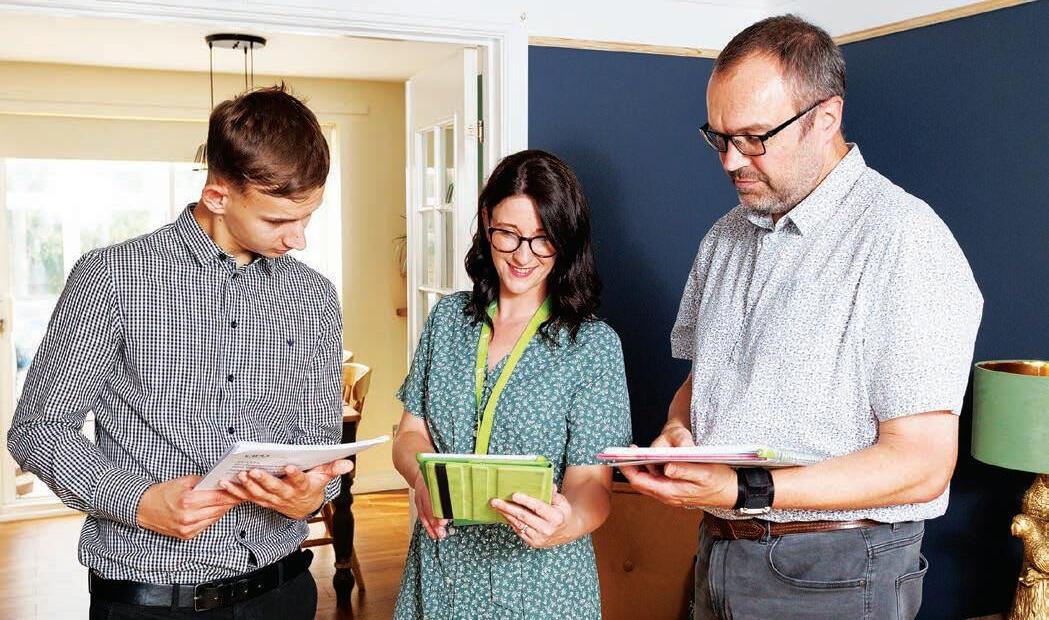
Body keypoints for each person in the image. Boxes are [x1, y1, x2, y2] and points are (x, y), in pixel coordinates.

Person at [619, 15, 983, 620]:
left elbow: (922, 464)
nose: (730, 161)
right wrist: (680, 431)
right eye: (718, 137)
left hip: (839, 569)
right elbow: (701, 381)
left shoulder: (904, 239)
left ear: (826, 117)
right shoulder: (724, 238)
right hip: (717, 549)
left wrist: (745, 490)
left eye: (753, 137)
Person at [7, 85, 353, 619]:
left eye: (308, 216)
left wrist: (313, 494)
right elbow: (38, 430)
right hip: (156, 600)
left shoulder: (314, 295)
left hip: (284, 591)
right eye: (278, 221)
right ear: (217, 196)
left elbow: (318, 440)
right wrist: (138, 501)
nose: (298, 239)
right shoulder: (112, 278)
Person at [392, 149, 632, 619]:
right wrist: (421, 480)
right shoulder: (448, 319)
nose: (524, 255)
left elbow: (592, 484)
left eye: (543, 239)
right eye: (509, 234)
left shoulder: (593, 346)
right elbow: (410, 434)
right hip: (441, 573)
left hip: (540, 587)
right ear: (486, 222)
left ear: (565, 239)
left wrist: (567, 522)